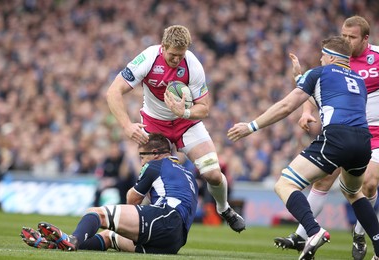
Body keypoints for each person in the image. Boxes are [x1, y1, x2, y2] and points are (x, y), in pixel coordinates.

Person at [227, 36, 379, 260]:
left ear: (331, 57)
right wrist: (299, 77)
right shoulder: (358, 80)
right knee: (354, 193)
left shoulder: (319, 72)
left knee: (285, 183)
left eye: (322, 55)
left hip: (337, 137)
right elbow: (328, 96)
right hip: (364, 142)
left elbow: (287, 105)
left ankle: (313, 231)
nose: (320, 58)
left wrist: (251, 126)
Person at [105, 25, 245, 232]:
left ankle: (224, 208)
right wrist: (126, 126)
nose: (176, 60)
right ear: (163, 47)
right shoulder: (148, 58)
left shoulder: (193, 65)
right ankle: (126, 229)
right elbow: (113, 91)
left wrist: (185, 113)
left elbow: (204, 108)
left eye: (181, 55)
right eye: (172, 55)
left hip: (186, 124)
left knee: (213, 174)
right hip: (154, 124)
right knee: (146, 181)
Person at [273, 16, 379, 260]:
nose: (346, 41)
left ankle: (360, 234)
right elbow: (312, 91)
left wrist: (253, 126)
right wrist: (307, 112)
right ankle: (302, 235)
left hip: (374, 135)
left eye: (352, 37)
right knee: (322, 181)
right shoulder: (335, 58)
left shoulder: (376, 58)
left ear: (365, 38)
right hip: (344, 131)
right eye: (344, 35)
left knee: (369, 183)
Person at [20, 133, 198, 254]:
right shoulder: (188, 174)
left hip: (165, 219)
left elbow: (132, 199)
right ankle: (55, 244)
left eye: (142, 156)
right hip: (174, 242)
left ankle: (72, 239)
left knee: (96, 213)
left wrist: (125, 219)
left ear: (154, 153)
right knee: (108, 237)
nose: (142, 162)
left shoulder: (155, 165)